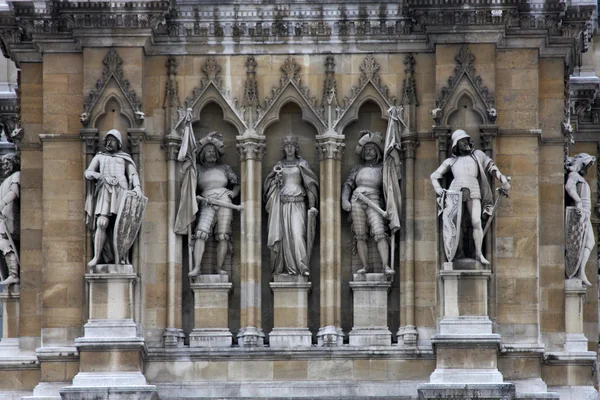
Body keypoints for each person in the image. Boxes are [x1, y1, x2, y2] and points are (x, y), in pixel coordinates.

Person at [430, 129, 510, 265]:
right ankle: (455, 253)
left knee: (476, 222)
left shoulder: (477, 155)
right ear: (456, 144)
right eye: (462, 141)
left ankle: (479, 253)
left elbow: (491, 166)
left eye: (466, 140)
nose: (466, 142)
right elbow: (434, 176)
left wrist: (503, 180)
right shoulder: (451, 161)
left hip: (474, 189)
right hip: (455, 191)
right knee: (456, 225)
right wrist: (439, 190)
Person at [84, 129, 143, 267]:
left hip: (121, 190)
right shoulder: (99, 157)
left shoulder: (124, 158)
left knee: (122, 225)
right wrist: (96, 175)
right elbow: (88, 172)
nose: (109, 143)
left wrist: (137, 187)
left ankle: (121, 258)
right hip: (105, 189)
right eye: (107, 140)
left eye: (112, 140)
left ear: (118, 143)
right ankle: (97, 257)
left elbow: (133, 173)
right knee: (102, 223)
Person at [342, 131, 395, 275]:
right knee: (360, 234)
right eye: (365, 149)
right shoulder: (357, 169)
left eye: (371, 149)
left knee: (379, 232)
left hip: (374, 199)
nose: (368, 152)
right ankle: (365, 265)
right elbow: (348, 184)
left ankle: (385, 266)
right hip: (356, 199)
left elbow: (391, 185)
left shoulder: (383, 168)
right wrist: (345, 200)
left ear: (377, 151)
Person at [264, 136, 319, 276]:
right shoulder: (279, 165)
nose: (289, 148)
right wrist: (276, 181)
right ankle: (286, 268)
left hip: (298, 203)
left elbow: (310, 185)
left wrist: (312, 206)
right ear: (284, 148)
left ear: (296, 148)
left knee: (297, 234)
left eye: (292, 145)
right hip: (282, 205)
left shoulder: (302, 164)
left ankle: (302, 266)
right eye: (287, 145)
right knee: (283, 238)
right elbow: (268, 186)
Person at [189, 132, 240, 277]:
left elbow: (236, 183)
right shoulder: (198, 169)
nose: (211, 153)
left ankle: (218, 267)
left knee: (223, 235)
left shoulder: (224, 168)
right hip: (207, 200)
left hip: (225, 200)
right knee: (200, 233)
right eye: (208, 151)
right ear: (203, 154)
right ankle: (197, 267)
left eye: (213, 151)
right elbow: (189, 186)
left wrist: (234, 193)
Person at [565, 153, 595, 287]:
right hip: (580, 214)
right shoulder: (574, 175)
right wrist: (578, 201)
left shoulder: (580, 177)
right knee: (587, 241)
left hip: (585, 214)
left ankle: (581, 271)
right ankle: (579, 271)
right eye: (586, 165)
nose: (587, 169)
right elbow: (569, 187)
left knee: (590, 242)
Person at [0, 153, 20, 286]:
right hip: (4, 219)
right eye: (3, 164)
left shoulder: (17, 175)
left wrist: (2, 203)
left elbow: (14, 191)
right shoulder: (4, 182)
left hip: (12, 219)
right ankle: (9, 274)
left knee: (4, 243)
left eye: (7, 163)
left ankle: (14, 274)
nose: (4, 166)